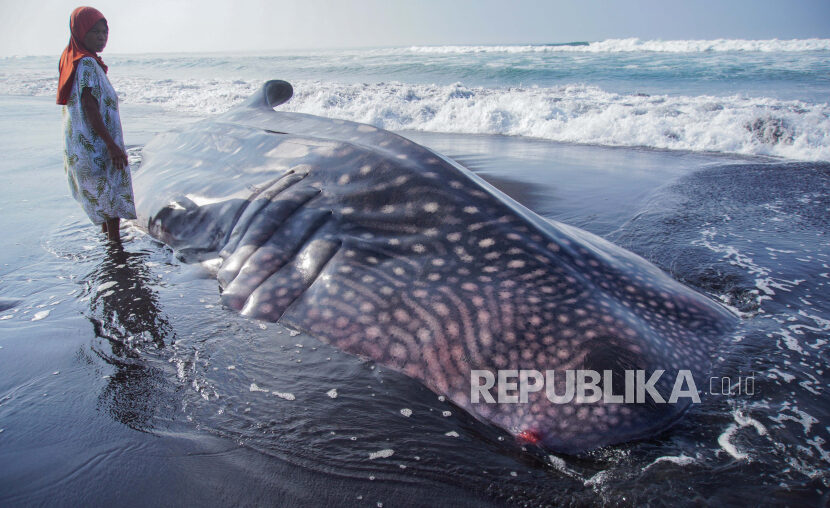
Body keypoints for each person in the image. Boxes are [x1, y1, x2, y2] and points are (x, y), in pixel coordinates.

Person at [57, 6, 136, 244]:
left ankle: (109, 243)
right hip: (97, 146)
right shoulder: (88, 64)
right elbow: (90, 107)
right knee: (111, 194)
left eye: (105, 32)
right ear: (81, 32)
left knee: (103, 198)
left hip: (82, 147)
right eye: (95, 32)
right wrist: (111, 145)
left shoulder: (73, 60)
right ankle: (116, 249)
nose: (102, 37)